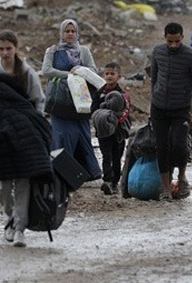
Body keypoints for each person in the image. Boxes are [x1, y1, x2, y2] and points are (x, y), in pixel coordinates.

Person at [0, 73, 54, 248]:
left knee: (22, 191)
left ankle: (19, 229)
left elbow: (44, 133)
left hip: (25, 159)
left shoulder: (20, 108)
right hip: (5, 159)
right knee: (4, 189)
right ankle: (11, 219)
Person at [150, 22, 192, 201]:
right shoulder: (158, 52)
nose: (173, 45)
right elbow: (154, 79)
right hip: (159, 108)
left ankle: (182, 177)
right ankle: (166, 188)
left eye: (177, 41)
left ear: (182, 38)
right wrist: (152, 102)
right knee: (161, 148)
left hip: (180, 109)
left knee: (179, 146)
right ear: (164, 38)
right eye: (170, 41)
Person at [41, 19, 102, 180]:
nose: (69, 34)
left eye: (72, 31)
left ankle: (87, 172)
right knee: (62, 135)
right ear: (61, 33)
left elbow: (93, 69)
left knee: (82, 135)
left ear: (77, 33)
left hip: (81, 101)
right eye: (66, 31)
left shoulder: (84, 51)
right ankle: (63, 173)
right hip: (60, 101)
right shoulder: (52, 51)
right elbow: (46, 70)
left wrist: (81, 71)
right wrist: (68, 75)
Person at [91, 62, 131, 195]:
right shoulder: (99, 93)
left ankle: (115, 182)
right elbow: (94, 111)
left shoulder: (123, 94)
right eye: (107, 73)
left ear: (119, 76)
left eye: (112, 74)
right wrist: (101, 120)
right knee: (106, 156)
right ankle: (107, 181)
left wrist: (113, 119)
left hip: (118, 132)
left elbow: (125, 112)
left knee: (117, 156)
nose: (109, 76)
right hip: (103, 132)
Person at [0, 30, 45, 113]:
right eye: (1, 49)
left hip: (23, 119)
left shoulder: (27, 72)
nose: (5, 53)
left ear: (16, 49)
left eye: (9, 48)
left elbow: (38, 100)